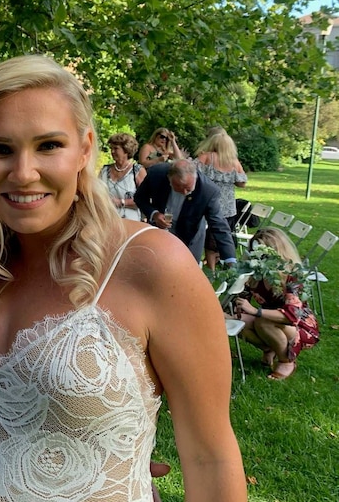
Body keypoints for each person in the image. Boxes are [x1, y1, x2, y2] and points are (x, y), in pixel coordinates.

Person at [0, 55, 245, 501]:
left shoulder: (152, 263)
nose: (24, 172)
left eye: (48, 145)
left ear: (85, 149)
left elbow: (210, 458)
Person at [234, 228, 319, 380]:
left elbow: (292, 316)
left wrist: (255, 311)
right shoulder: (256, 273)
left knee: (263, 321)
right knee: (233, 319)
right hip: (269, 321)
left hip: (299, 326)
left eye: (263, 255)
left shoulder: (292, 276)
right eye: (255, 253)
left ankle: (286, 361)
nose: (259, 259)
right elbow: (241, 301)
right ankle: (269, 348)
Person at [134, 158, 237, 264]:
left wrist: (230, 259)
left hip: (190, 236)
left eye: (188, 188)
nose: (184, 192)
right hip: (159, 234)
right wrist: (154, 214)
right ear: (169, 179)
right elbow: (139, 198)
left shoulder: (208, 191)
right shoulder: (156, 174)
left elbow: (219, 224)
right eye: (178, 187)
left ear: (195, 178)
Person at [195, 130, 247, 269]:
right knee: (223, 236)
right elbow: (242, 183)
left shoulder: (206, 157)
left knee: (209, 238)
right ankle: (226, 264)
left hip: (208, 202)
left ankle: (211, 268)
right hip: (228, 207)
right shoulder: (234, 162)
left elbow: (191, 172)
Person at [99, 133, 145, 220]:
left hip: (130, 222)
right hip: (107, 219)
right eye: (111, 148)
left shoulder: (137, 171)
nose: (112, 151)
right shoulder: (104, 170)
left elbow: (145, 199)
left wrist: (122, 202)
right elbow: (96, 193)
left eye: (116, 148)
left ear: (126, 150)